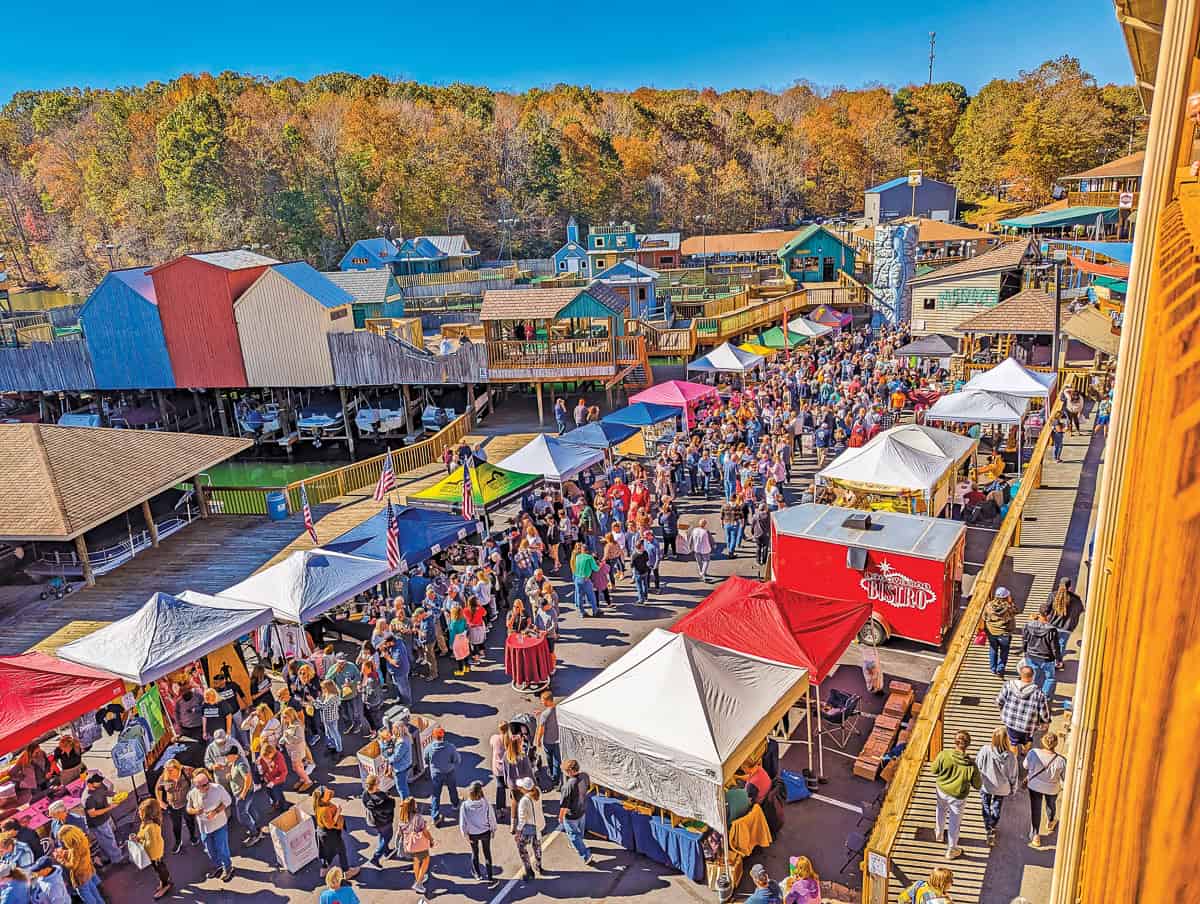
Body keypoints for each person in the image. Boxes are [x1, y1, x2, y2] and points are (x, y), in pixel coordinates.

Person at [930, 730, 980, 860]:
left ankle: (939, 833)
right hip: (957, 797)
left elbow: (933, 770)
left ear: (955, 742)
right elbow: (978, 785)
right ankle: (951, 849)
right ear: (968, 745)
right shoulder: (971, 765)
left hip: (941, 790)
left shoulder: (944, 754)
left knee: (940, 810)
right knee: (954, 823)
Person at [185, 768, 233, 882]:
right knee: (210, 850)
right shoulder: (192, 793)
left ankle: (228, 867)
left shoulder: (217, 788)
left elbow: (228, 801)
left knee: (222, 849)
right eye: (202, 786)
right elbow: (188, 809)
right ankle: (218, 867)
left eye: (206, 784)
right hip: (204, 829)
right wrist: (195, 811)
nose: (206, 787)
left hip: (219, 825)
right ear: (196, 786)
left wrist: (215, 812)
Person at [975, 726, 1018, 847]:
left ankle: (988, 828)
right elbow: (1013, 776)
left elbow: (978, 765)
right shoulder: (1011, 756)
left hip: (986, 785)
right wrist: (1013, 789)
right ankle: (993, 824)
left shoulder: (985, 750)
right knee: (997, 806)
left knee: (985, 805)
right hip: (1002, 788)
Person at [996, 665, 1050, 755]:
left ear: (1020, 674)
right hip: (1027, 725)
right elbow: (1043, 712)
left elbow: (999, 701)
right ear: (1032, 677)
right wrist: (1046, 721)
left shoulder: (1009, 685)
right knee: (1027, 740)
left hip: (1010, 722)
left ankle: (1014, 757)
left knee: (1013, 741)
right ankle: (1025, 752)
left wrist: (1003, 710)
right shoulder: (1038, 693)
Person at [1025, 732, 1067, 848]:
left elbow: (1025, 766)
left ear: (1043, 741)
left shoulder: (1033, 753)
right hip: (1052, 788)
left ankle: (1035, 836)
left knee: (1036, 808)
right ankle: (1051, 821)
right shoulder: (1061, 760)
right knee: (1051, 804)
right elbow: (1064, 777)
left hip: (1034, 786)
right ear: (1056, 744)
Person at [50, 821, 102, 904]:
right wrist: (65, 852)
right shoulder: (82, 839)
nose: (63, 842)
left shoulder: (74, 850)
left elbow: (72, 865)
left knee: (87, 897)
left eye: (64, 840)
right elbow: (76, 854)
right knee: (94, 891)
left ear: (69, 839)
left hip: (80, 877)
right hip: (88, 870)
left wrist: (60, 858)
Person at [312, 787, 358, 879]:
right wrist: (338, 812)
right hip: (330, 834)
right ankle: (347, 872)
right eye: (326, 793)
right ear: (321, 798)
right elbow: (330, 824)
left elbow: (330, 794)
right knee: (342, 851)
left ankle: (324, 869)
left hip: (321, 833)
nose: (328, 793)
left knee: (326, 852)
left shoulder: (319, 804)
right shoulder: (324, 810)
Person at [82, 773, 125, 866]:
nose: (100, 783)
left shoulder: (99, 785)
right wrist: (110, 807)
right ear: (89, 784)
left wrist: (116, 795)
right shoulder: (88, 798)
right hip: (97, 823)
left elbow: (105, 792)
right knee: (108, 839)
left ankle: (106, 857)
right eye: (97, 782)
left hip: (105, 817)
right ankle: (118, 859)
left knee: (104, 840)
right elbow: (92, 814)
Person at [134, 799, 173, 899]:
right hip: (152, 854)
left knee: (160, 869)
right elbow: (141, 834)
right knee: (158, 869)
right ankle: (164, 882)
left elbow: (150, 844)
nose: (139, 813)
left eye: (140, 812)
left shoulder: (151, 827)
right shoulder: (145, 823)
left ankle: (166, 884)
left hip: (155, 854)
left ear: (147, 814)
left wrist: (139, 842)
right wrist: (137, 838)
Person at [459, 781, 498, 881]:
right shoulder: (486, 804)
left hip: (472, 834)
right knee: (487, 853)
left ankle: (477, 874)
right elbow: (491, 819)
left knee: (475, 853)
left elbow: (462, 823)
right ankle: (490, 877)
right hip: (485, 833)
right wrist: (493, 830)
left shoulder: (464, 806)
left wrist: (465, 836)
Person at [1022, 606, 1062, 700]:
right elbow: (1055, 647)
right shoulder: (1052, 630)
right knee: (1050, 678)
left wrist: (1025, 651)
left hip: (1031, 655)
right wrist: (1058, 659)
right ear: (1049, 616)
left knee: (1033, 676)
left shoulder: (1028, 625)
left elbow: (1024, 640)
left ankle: (1032, 694)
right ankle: (1042, 698)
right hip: (1046, 658)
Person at [423, 727, 461, 824]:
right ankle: (455, 804)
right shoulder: (450, 747)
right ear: (443, 735)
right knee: (452, 789)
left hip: (436, 774)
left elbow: (426, 759)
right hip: (449, 771)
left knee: (436, 794)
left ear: (433, 736)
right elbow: (457, 759)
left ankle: (435, 816)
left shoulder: (429, 748)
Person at [558, 759, 593, 865]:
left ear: (570, 771)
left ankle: (586, 855)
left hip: (571, 815)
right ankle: (580, 843)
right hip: (582, 810)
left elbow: (564, 805)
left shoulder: (568, 786)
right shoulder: (585, 776)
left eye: (565, 771)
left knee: (573, 835)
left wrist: (560, 817)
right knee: (580, 832)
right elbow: (589, 786)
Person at [398, 797, 433, 894]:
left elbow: (400, 833)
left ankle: (419, 878)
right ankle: (418, 883)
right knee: (426, 860)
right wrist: (431, 840)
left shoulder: (402, 817)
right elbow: (425, 832)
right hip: (419, 844)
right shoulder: (418, 817)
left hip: (409, 844)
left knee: (416, 861)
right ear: (413, 806)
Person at [361, 774, 396, 868]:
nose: (379, 782)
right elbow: (388, 807)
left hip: (374, 821)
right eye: (378, 781)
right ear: (375, 785)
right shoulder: (381, 797)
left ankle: (386, 850)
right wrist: (391, 800)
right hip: (384, 821)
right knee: (388, 836)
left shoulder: (365, 794)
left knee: (382, 835)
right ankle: (375, 858)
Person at [225, 749, 260, 844]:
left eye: (227, 756)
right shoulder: (235, 761)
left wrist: (243, 793)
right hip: (242, 792)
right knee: (250, 809)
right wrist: (230, 775)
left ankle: (255, 834)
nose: (226, 758)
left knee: (242, 816)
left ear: (234, 755)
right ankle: (256, 826)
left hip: (244, 794)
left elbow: (248, 778)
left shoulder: (241, 764)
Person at [513, 777, 544, 881]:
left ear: (524, 789)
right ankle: (539, 865)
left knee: (522, 848)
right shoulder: (538, 791)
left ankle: (529, 871)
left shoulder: (524, 801)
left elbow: (522, 820)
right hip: (539, 824)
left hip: (529, 827)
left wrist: (517, 832)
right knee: (537, 845)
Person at [983, 586, 1017, 677]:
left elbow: (984, 617)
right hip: (1004, 633)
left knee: (993, 649)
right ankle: (1000, 669)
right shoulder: (1009, 608)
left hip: (991, 632)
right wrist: (1010, 602)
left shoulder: (989, 606)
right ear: (1006, 597)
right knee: (1004, 651)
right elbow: (1016, 611)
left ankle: (993, 668)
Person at [382, 722, 413, 801]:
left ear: (397, 730)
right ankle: (408, 802)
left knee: (401, 788)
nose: (392, 730)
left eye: (393, 729)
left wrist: (386, 759)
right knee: (403, 784)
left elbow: (396, 757)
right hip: (406, 765)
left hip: (401, 768)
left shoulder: (402, 743)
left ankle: (406, 804)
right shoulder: (405, 737)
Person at [535, 691, 561, 784]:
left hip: (548, 741)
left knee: (550, 758)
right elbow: (551, 712)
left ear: (546, 700)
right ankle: (556, 777)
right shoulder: (558, 708)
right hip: (558, 739)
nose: (541, 702)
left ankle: (553, 777)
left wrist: (538, 740)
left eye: (542, 700)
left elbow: (541, 729)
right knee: (557, 760)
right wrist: (542, 713)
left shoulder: (545, 715)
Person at [257, 742, 289, 814]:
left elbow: (284, 772)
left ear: (272, 752)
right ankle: (275, 804)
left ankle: (284, 808)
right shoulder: (262, 757)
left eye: (267, 757)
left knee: (278, 793)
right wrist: (261, 771)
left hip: (278, 781)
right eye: (265, 757)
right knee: (270, 793)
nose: (266, 759)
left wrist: (274, 782)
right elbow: (262, 768)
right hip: (268, 779)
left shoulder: (279, 758)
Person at [570, 542, 601, 616]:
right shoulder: (589, 558)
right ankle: (595, 611)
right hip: (585, 579)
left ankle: (582, 612)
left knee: (579, 595)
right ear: (587, 550)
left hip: (577, 578)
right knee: (591, 596)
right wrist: (599, 565)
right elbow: (595, 569)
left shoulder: (578, 557)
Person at [689, 518, 714, 582]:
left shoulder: (694, 530)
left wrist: (690, 546)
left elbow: (691, 539)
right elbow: (711, 540)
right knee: (706, 561)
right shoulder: (706, 531)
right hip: (705, 549)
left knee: (699, 562)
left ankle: (701, 572)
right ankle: (703, 574)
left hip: (696, 548)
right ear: (705, 524)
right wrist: (712, 546)